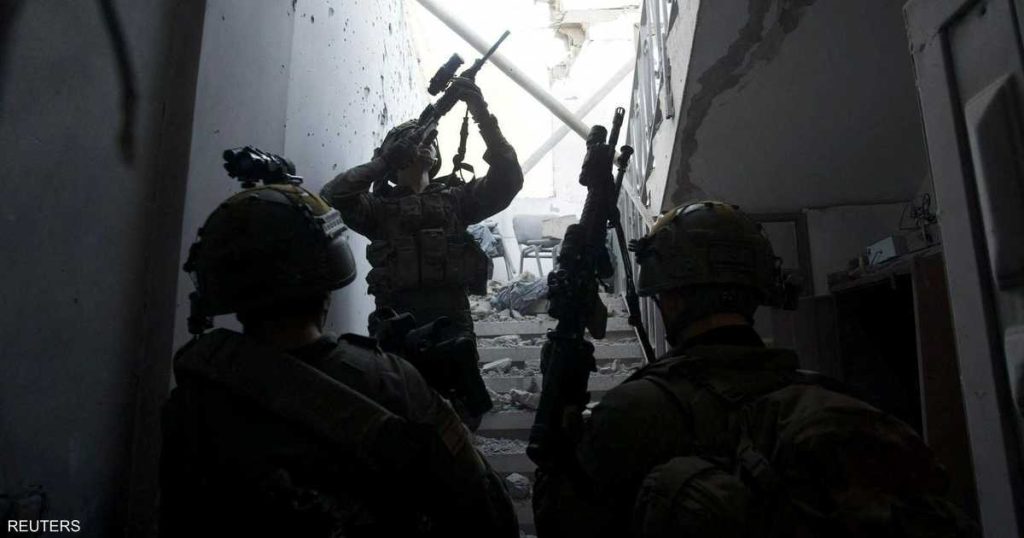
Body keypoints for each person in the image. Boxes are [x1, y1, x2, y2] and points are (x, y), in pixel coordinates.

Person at [532, 201, 975, 538]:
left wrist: (558, 409)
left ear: (670, 298)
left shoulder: (632, 413)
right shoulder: (841, 405)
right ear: (757, 289)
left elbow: (559, 521)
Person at [160, 177, 518, 537]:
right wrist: (435, 407)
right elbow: (489, 515)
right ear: (329, 272)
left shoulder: (197, 391)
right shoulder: (392, 383)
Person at [320, 77, 524, 428]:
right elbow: (333, 195)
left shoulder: (457, 200)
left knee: (463, 417)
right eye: (414, 141)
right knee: (400, 417)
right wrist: (384, 163)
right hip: (397, 320)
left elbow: (509, 179)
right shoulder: (379, 209)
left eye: (429, 140)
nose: (425, 144)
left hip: (450, 317)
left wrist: (481, 114)